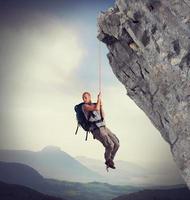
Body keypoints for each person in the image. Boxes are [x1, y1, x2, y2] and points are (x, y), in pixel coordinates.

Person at [81, 91, 120, 169]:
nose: (84, 99)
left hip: (104, 127)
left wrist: (101, 106)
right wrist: (99, 99)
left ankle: (110, 160)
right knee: (110, 145)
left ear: (89, 97)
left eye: (85, 97)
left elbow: (103, 115)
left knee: (116, 144)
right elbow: (96, 108)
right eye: (83, 98)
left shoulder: (96, 104)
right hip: (97, 129)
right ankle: (107, 160)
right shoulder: (84, 106)